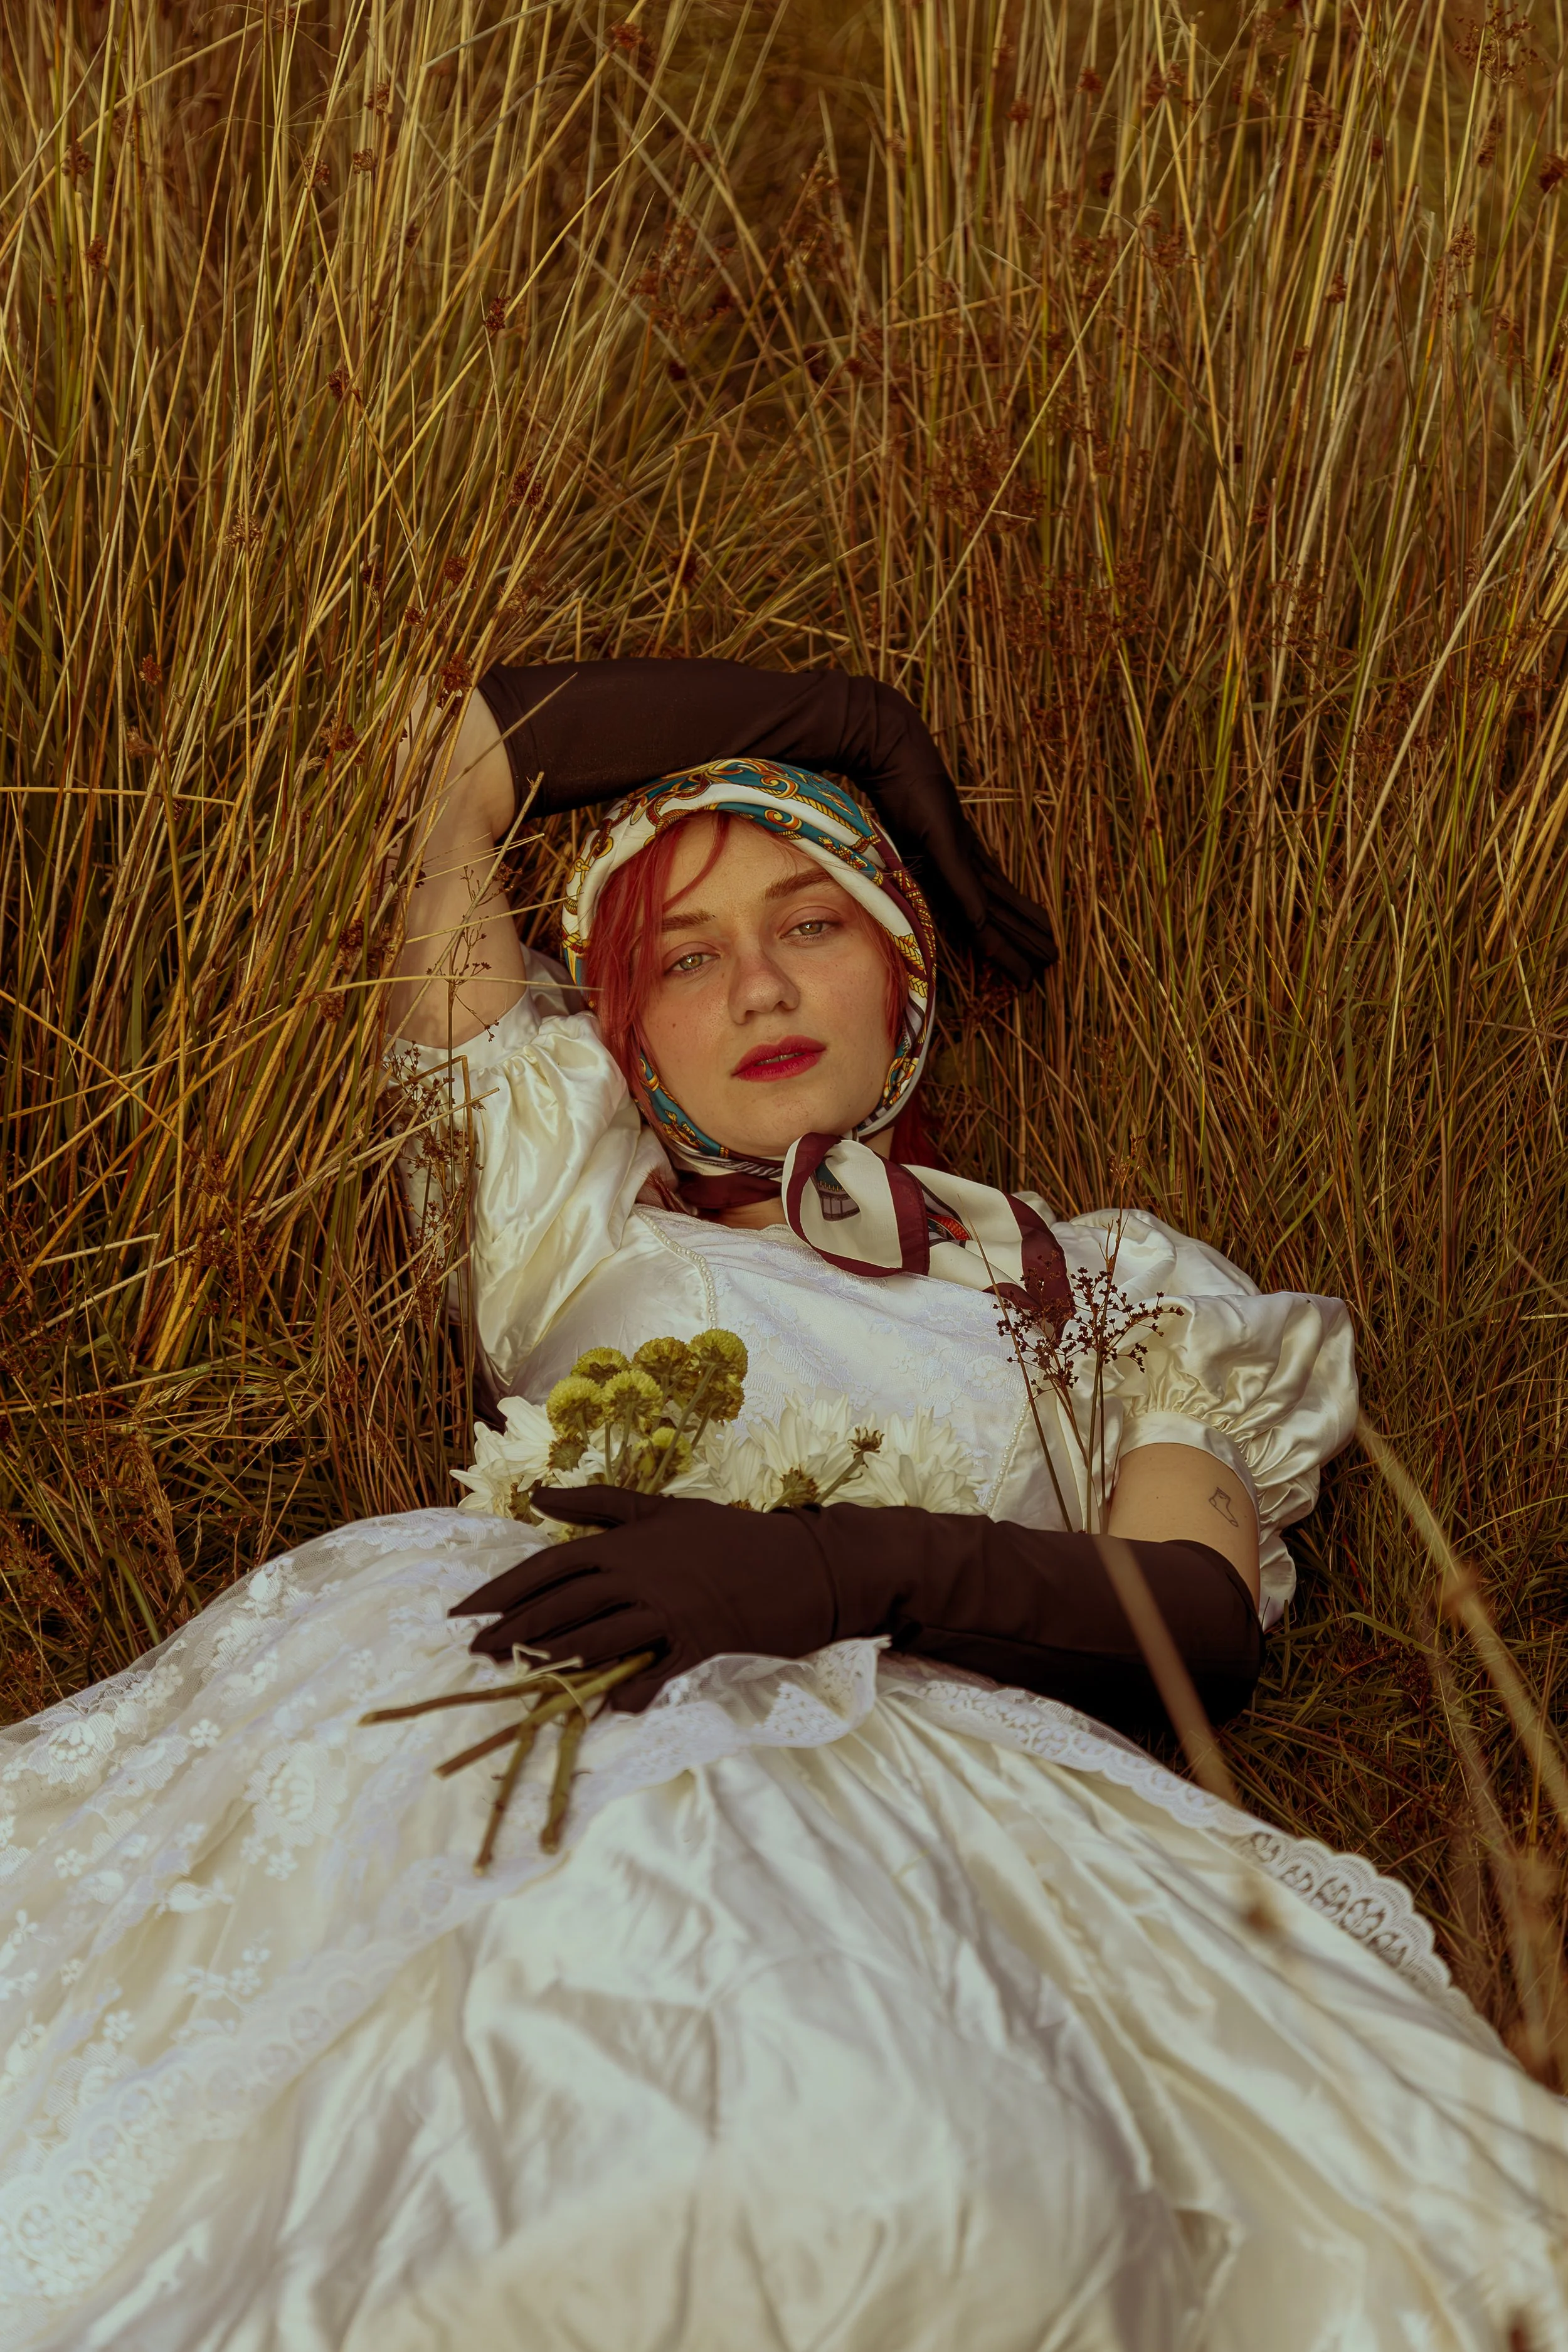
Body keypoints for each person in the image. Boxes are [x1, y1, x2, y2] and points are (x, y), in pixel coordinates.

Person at [0, 660, 1563, 2351]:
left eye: (812, 921)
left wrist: (834, 1567)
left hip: (954, 1784)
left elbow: (1193, 1617)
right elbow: (443, 747)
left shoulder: (1105, 1287)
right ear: (620, 1027)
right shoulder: (559, 1200)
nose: (754, 979)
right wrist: (845, 719)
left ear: (905, 969)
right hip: (557, 1719)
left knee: (959, 2187)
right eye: (682, 953)